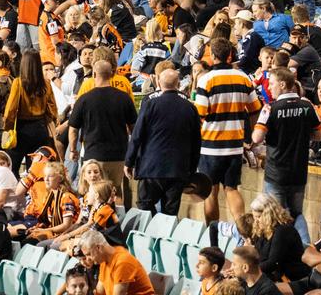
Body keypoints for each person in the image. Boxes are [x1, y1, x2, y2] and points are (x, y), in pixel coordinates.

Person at [194, 38, 262, 227]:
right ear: (230, 55)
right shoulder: (243, 77)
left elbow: (200, 114)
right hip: (234, 145)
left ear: (213, 56)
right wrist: (249, 138)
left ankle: (213, 235)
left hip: (210, 147)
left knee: (210, 192)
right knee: (232, 189)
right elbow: (255, 110)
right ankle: (242, 231)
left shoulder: (206, 79)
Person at [251, 67, 321, 243]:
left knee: (276, 216)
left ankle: (280, 253)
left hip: (276, 173)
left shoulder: (271, 109)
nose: (269, 88)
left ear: (283, 84)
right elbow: (319, 136)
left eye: (272, 84)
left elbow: (257, 138)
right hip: (298, 172)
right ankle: (306, 247)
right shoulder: (307, 106)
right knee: (297, 214)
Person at [125, 68, 201, 216]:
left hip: (151, 168)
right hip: (178, 169)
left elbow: (137, 135)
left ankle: (151, 234)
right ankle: (164, 237)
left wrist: (129, 162)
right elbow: (196, 142)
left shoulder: (150, 104)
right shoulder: (190, 107)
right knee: (170, 213)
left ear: (159, 82)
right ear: (178, 84)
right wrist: (191, 170)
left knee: (144, 207)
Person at [69, 59, 136, 205]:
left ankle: (96, 223)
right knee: (116, 191)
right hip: (119, 156)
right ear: (112, 74)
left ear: (94, 74)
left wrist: (73, 149)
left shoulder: (84, 99)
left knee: (94, 193)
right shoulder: (123, 98)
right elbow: (133, 129)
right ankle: (117, 220)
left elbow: (73, 128)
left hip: (94, 156)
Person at [4, 50, 58, 174]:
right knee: (36, 171)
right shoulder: (46, 84)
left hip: (22, 130)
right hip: (40, 129)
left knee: (11, 168)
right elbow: (53, 109)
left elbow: (10, 111)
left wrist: (8, 129)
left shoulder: (18, 83)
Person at [77, 230, 155, 295]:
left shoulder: (122, 262)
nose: (88, 259)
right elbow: (99, 292)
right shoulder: (104, 260)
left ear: (98, 248)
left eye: (89, 254)